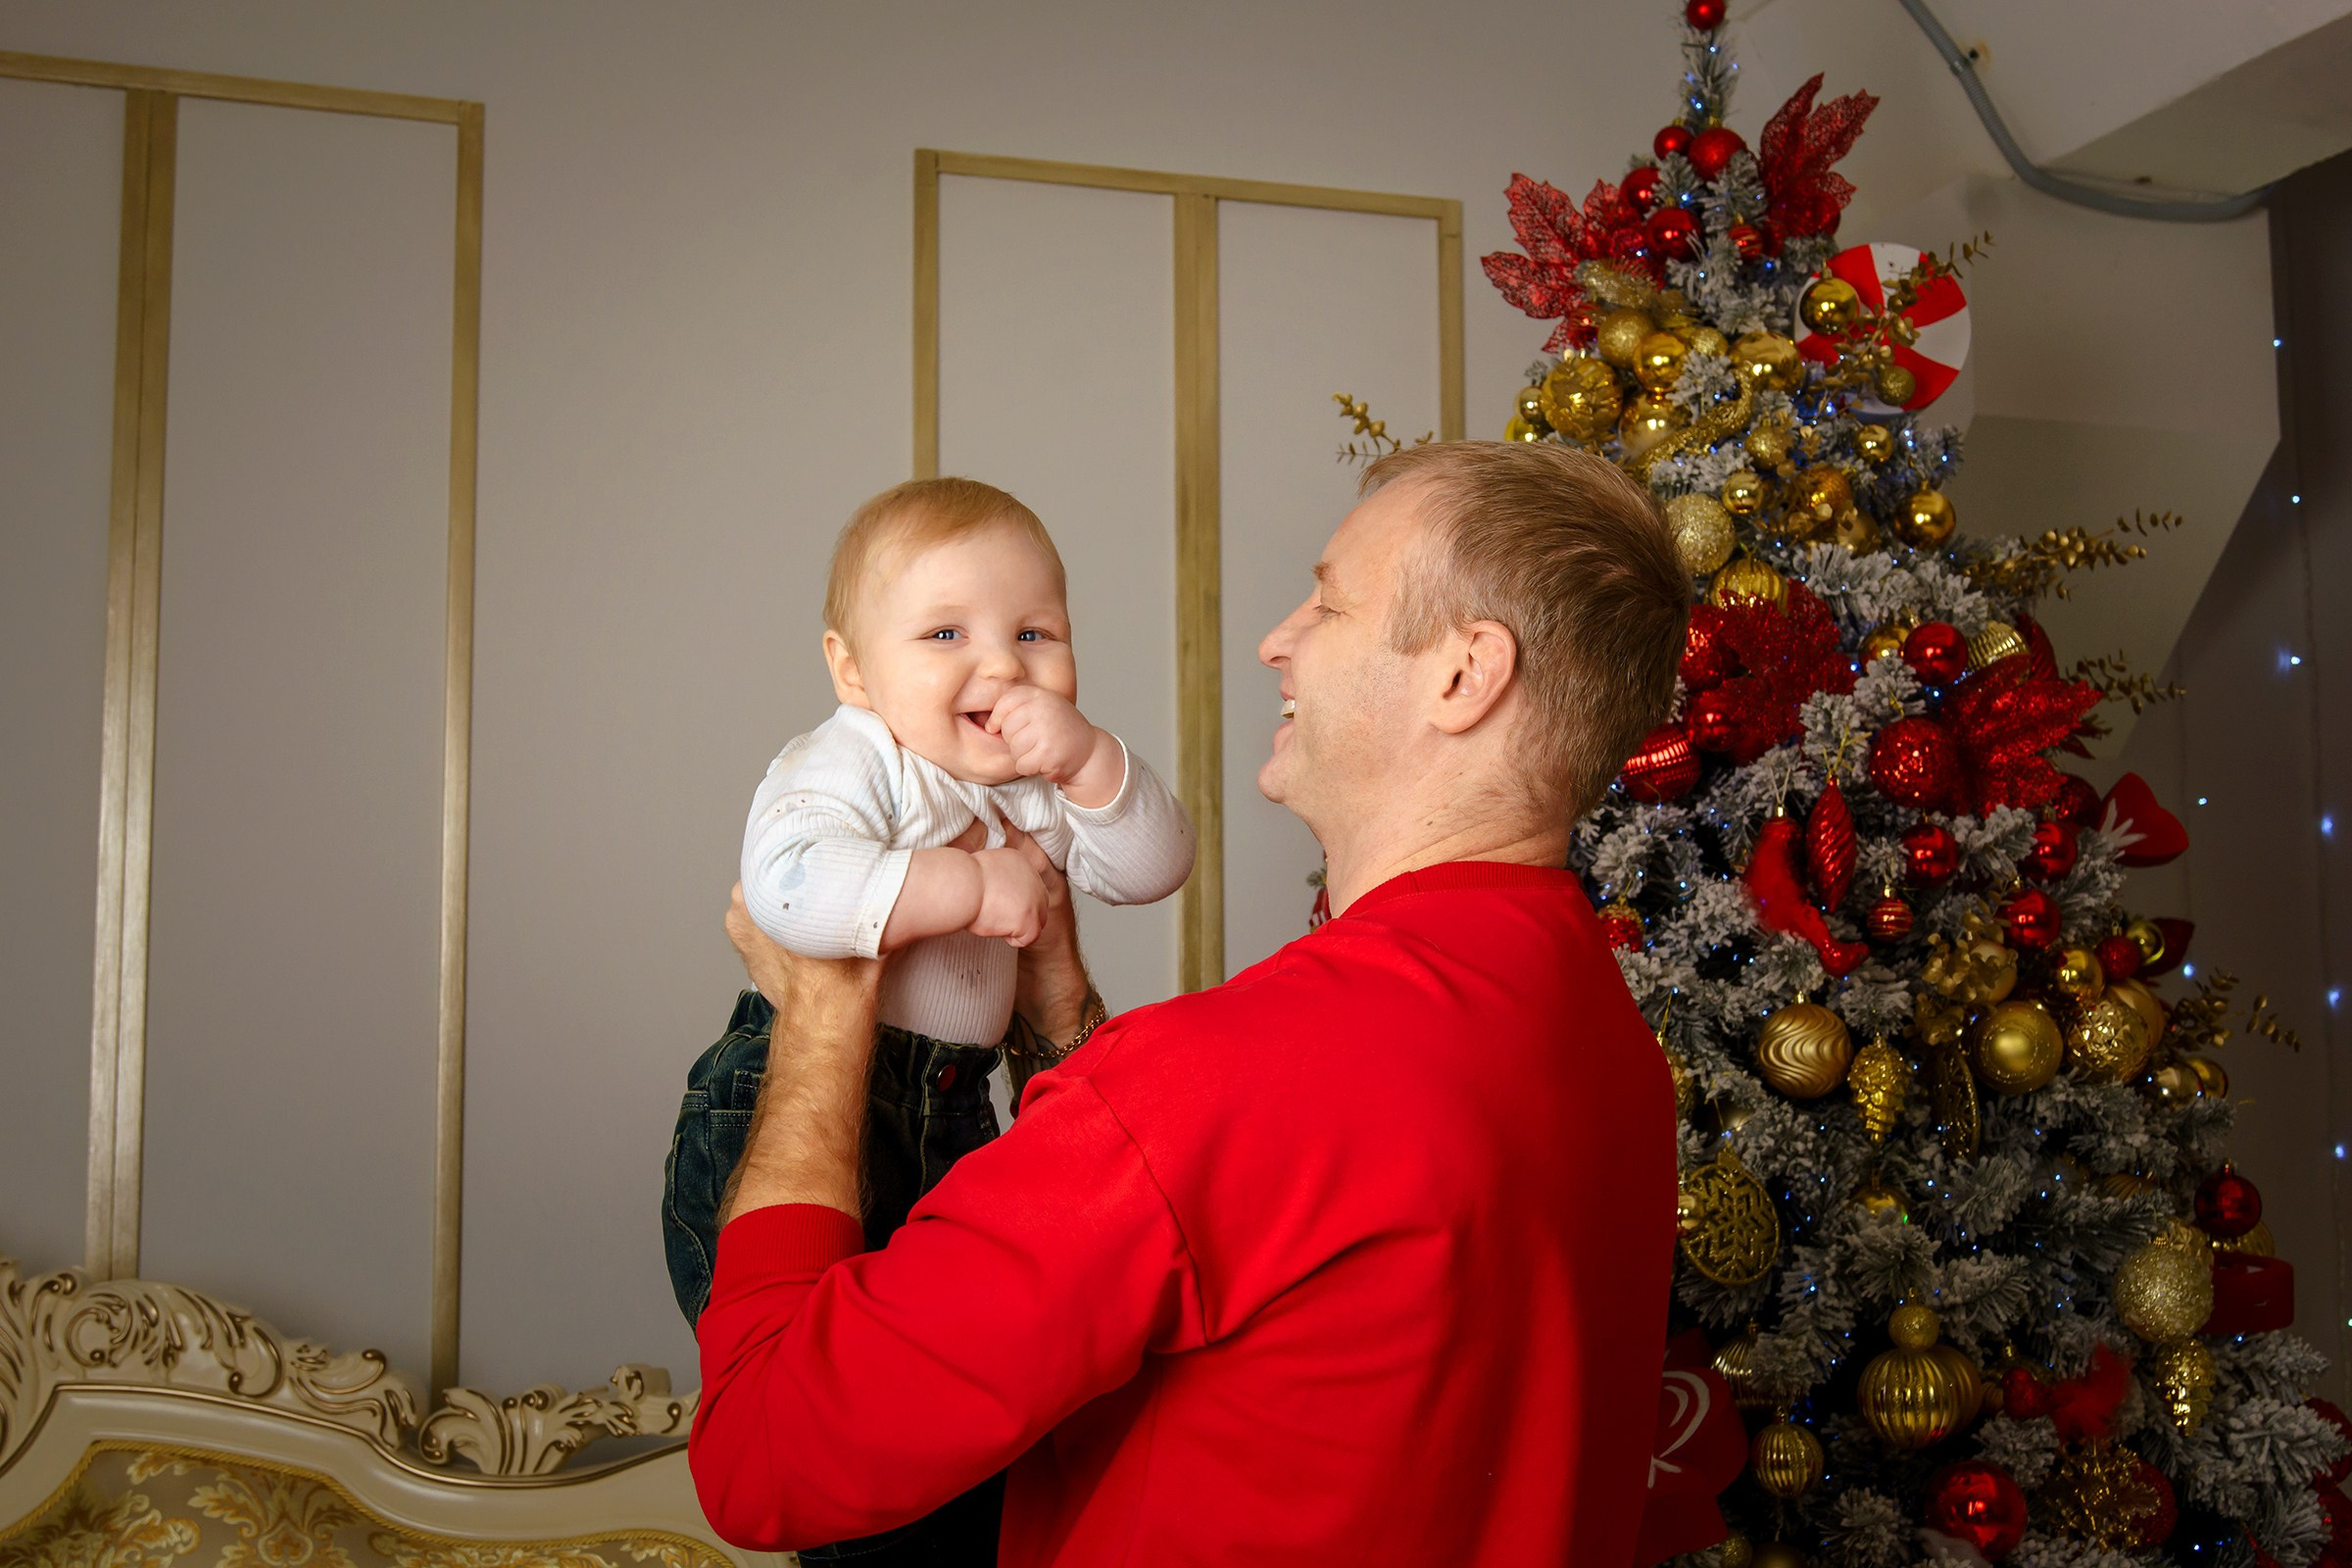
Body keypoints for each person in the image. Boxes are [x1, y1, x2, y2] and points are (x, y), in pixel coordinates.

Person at [689, 440, 1690, 1564]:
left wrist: (825, 1016)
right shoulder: (1612, 1051)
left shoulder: (1220, 1083)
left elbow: (762, 1454)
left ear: (1464, 674)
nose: (1277, 639)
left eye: (1326, 603)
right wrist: (1065, 1011)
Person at [663, 476, 1192, 1563]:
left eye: (1035, 633)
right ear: (853, 668)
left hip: (954, 1120)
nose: (1001, 665)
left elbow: (1153, 866)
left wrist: (1088, 760)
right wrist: (976, 893)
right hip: (786, 1109)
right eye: (947, 632)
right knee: (837, 1405)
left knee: (945, 1414)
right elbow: (789, 884)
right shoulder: (852, 758)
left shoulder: (1027, 776)